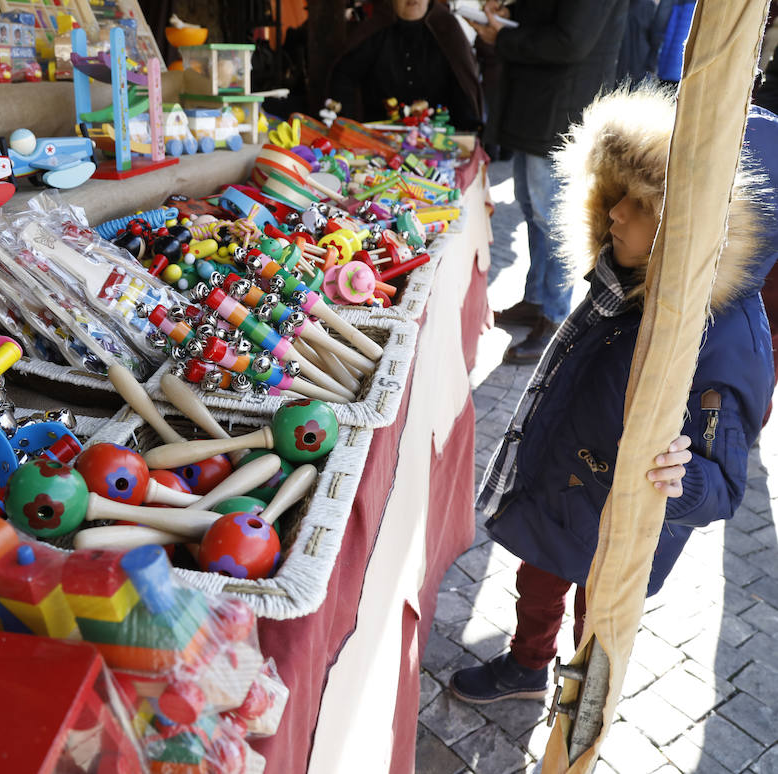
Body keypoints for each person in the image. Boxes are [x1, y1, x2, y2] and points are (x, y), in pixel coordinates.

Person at [448, 86, 776, 704]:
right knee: (538, 576)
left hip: (617, 516)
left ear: (695, 224)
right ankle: (526, 663)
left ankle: (578, 713)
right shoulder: (625, 275)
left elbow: (723, 486)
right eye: (616, 197)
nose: (617, 215)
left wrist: (685, 478)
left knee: (595, 618)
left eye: (641, 204)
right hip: (562, 479)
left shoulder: (729, 340)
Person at [471, 0, 629, 365]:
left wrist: (505, 39)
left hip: (561, 106)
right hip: (540, 103)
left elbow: (571, 42)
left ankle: (555, 316)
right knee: (531, 206)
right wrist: (511, 21)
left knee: (552, 216)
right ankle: (538, 299)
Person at [327, 0, 483, 131]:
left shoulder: (447, 28)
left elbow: (463, 86)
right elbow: (344, 77)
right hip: (380, 133)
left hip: (438, 131)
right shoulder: (374, 30)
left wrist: (467, 130)